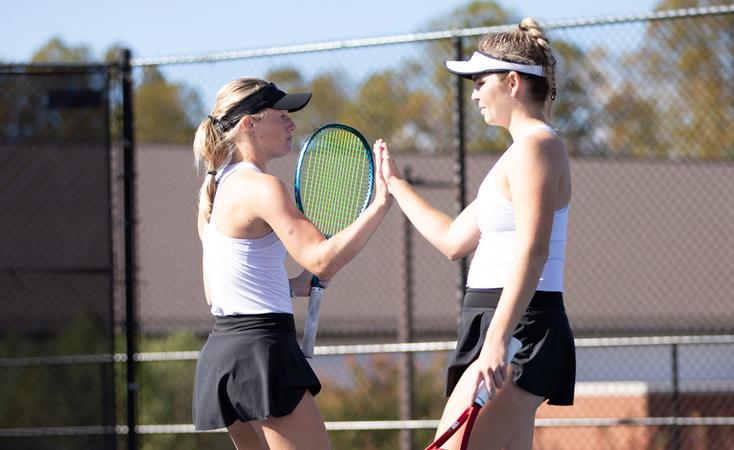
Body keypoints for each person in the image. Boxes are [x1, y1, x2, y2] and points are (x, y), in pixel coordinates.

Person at [379, 17, 575, 449]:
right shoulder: (518, 155)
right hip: (500, 324)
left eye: (479, 81)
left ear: (511, 83)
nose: (473, 94)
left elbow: (533, 248)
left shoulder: (537, 148)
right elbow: (452, 240)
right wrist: (396, 185)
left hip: (519, 327)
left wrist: (497, 340)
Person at [191, 77, 392, 450]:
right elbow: (323, 259)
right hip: (262, 352)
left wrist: (295, 286)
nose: (291, 125)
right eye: (281, 116)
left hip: (225, 354)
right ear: (249, 124)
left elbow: (218, 291)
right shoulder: (262, 188)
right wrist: (380, 205)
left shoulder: (219, 191)